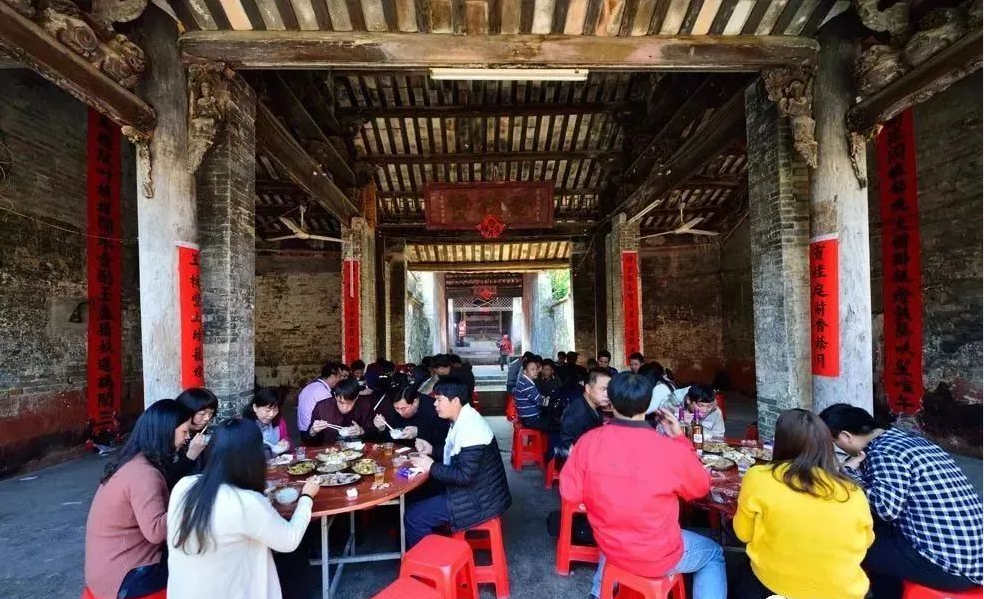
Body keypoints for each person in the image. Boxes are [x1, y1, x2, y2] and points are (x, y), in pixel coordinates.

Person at [560, 372, 723, 599]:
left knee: (620, 527)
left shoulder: (587, 442)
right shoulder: (669, 449)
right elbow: (700, 488)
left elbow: (570, 493)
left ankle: (599, 592)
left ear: (611, 402)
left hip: (610, 545)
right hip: (657, 555)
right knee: (714, 554)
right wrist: (680, 439)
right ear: (648, 404)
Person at [820, 404, 983, 599]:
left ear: (846, 436)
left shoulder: (883, 453)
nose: (838, 449)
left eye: (835, 443)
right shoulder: (910, 440)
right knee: (874, 531)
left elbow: (886, 509)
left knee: (852, 543)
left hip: (948, 567)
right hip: (973, 558)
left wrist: (849, 473)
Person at [167, 418, 319, 599]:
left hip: (182, 592)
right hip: (231, 592)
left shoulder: (183, 486)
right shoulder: (246, 502)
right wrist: (306, 497)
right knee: (294, 561)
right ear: (252, 456)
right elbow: (289, 539)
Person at [734, 409, 874, 599]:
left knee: (742, 574)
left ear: (781, 442)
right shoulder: (853, 491)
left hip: (774, 584)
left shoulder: (758, 477)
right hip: (843, 591)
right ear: (827, 445)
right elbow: (866, 541)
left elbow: (743, 534)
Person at [83, 399, 195, 599]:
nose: (187, 438)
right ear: (165, 433)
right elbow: (156, 531)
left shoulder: (133, 461)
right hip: (125, 576)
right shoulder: (144, 473)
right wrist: (192, 505)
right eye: (184, 431)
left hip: (105, 568)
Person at [405, 376, 512, 548]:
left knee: (413, 517)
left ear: (455, 401)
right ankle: (438, 545)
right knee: (419, 495)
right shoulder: (462, 419)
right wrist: (432, 450)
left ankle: (439, 562)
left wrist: (430, 466)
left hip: (479, 500)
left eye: (439, 400)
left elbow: (464, 476)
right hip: (479, 491)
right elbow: (458, 455)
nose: (435, 404)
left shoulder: (471, 429)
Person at [374, 384, 451, 458]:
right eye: (396, 408)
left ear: (415, 402)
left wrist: (419, 432)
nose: (400, 412)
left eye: (403, 408)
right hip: (400, 454)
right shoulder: (397, 408)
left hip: (428, 457)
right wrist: (382, 428)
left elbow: (443, 437)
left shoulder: (434, 408)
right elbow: (391, 438)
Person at [170, 387, 219, 487]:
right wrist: (191, 454)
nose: (207, 418)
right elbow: (169, 477)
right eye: (202, 413)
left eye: (211, 413)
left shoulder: (200, 433)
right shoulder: (172, 435)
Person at [558, 367, 611, 457]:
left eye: (609, 389)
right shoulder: (575, 416)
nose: (607, 394)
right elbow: (569, 453)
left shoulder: (596, 405)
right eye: (603, 389)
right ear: (588, 389)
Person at [306, 378, 375, 445]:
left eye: (349, 403)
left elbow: (375, 435)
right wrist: (313, 431)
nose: (345, 407)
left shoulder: (365, 406)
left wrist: (362, 431)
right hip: (330, 450)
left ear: (356, 397)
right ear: (335, 396)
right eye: (341, 402)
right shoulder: (322, 407)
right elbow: (308, 440)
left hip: (359, 449)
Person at [296, 362, 348, 434]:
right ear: (332, 376)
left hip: (302, 428)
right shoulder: (324, 393)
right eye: (339, 376)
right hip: (311, 431)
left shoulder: (310, 386)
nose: (341, 379)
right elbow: (330, 418)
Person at [243, 387, 293, 457]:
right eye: (267, 410)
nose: (271, 415)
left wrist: (285, 443)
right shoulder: (244, 427)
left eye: (275, 410)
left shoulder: (279, 422)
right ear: (255, 407)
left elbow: (286, 438)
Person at [513, 356, 550, 431]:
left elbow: (536, 397)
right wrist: (549, 400)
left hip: (526, 417)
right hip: (531, 419)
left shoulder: (523, 380)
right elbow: (539, 401)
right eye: (532, 369)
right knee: (554, 425)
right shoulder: (527, 384)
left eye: (536, 369)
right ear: (525, 371)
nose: (535, 371)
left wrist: (544, 398)